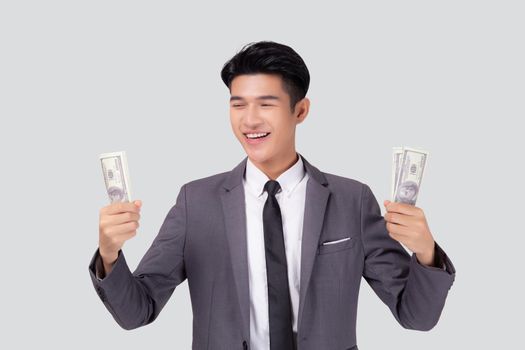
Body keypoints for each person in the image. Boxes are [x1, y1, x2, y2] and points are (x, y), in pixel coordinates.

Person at [88, 41, 456, 350]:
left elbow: (415, 317)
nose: (249, 120)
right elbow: (137, 312)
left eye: (265, 104)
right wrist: (109, 253)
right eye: (237, 104)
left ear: (300, 110)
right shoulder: (195, 202)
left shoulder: (352, 200)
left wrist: (425, 251)